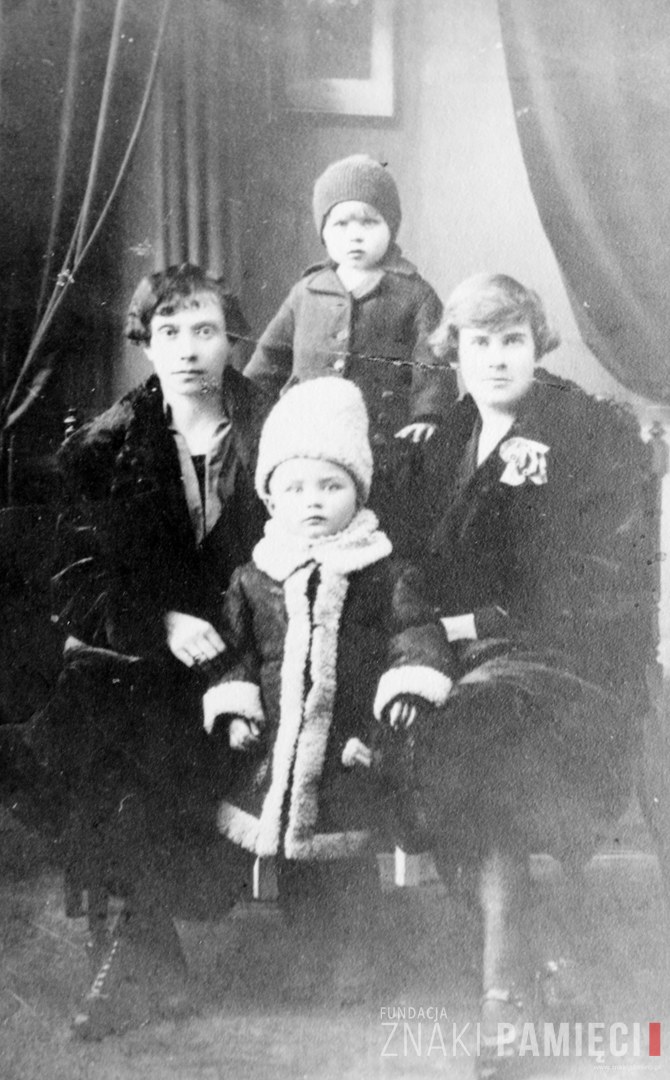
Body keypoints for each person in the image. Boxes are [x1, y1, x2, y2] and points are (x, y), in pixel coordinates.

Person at [390, 274, 656, 1076]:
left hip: (570, 663)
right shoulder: (443, 442)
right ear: (456, 354)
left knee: (480, 728)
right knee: (460, 726)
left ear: (536, 348)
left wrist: (476, 620)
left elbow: (605, 579)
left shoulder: (588, 432)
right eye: (480, 343)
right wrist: (431, 635)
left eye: (512, 341)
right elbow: (408, 563)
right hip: (462, 662)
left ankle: (504, 991)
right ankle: (541, 962)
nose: (497, 358)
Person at [33, 263, 272, 1039]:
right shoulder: (102, 449)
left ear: (233, 340)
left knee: (151, 731)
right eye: (170, 331)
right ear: (145, 343)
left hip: (260, 653)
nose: (189, 349)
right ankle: (145, 949)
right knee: (105, 711)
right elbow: (76, 582)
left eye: (206, 330)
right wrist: (161, 622)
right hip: (159, 657)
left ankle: (135, 959)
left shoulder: (276, 427)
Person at [201, 376, 456, 1002]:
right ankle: (311, 954)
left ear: (358, 491)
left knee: (347, 854)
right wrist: (236, 710)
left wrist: (407, 687)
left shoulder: (384, 572)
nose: (313, 501)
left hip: (349, 741)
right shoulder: (255, 576)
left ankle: (359, 958)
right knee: (293, 861)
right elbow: (234, 653)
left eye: (330, 486)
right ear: (271, 499)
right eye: (295, 488)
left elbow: (414, 633)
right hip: (279, 746)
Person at [244, 154, 456, 540]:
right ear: (323, 232)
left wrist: (428, 414)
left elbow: (433, 361)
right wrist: (253, 410)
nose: (355, 235)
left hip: (381, 444)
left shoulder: (414, 294)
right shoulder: (307, 291)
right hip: (309, 446)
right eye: (341, 224)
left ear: (391, 227)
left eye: (369, 222)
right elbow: (268, 360)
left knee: (379, 529)